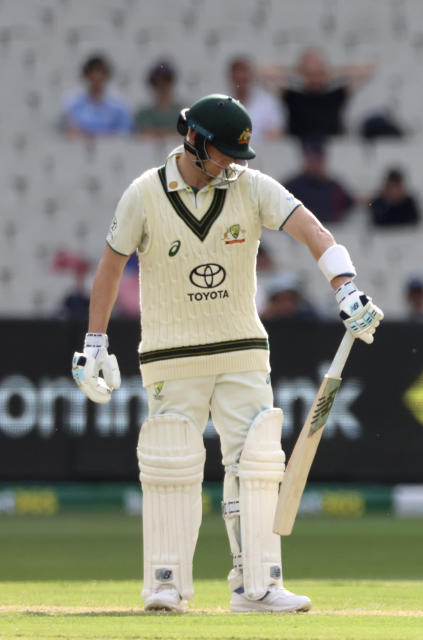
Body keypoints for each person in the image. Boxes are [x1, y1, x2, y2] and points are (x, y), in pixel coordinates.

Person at [69, 94, 382, 613]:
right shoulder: (144, 194)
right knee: (172, 461)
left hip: (242, 349)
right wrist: (94, 342)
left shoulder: (249, 186)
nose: (232, 166)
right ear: (193, 141)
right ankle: (165, 584)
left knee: (257, 460)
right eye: (223, 155)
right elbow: (110, 266)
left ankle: (257, 585)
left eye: (239, 157)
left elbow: (311, 229)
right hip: (172, 352)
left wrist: (346, 289)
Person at [280, 48, 375, 140]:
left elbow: (368, 71)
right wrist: (297, 71)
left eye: (317, 72)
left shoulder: (336, 95)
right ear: (302, 72)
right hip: (296, 150)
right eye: (309, 72)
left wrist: (331, 72)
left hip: (333, 149)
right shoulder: (292, 96)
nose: (314, 76)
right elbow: (265, 73)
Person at [282, 137, 355, 223]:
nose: (314, 164)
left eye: (317, 160)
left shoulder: (335, 188)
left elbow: (348, 206)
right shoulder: (291, 187)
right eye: (311, 159)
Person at [61, 54, 133, 138]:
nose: (96, 76)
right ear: (86, 75)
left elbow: (124, 133)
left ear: (107, 75)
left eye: (101, 72)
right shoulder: (72, 104)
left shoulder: (119, 105)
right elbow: (67, 131)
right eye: (92, 72)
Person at [227, 56, 286, 141]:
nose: (240, 76)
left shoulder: (268, 102)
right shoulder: (219, 103)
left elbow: (276, 133)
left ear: (251, 75)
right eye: (237, 72)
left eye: (244, 71)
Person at [135, 60, 182, 138]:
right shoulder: (143, 115)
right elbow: (143, 135)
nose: (162, 85)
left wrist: (158, 133)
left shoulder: (183, 114)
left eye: (166, 80)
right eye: (157, 82)